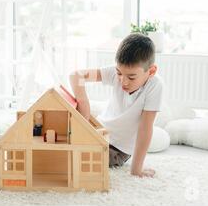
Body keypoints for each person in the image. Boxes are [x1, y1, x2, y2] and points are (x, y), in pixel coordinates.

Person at [69, 33, 163, 178]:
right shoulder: (116, 73)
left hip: (117, 149)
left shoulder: (154, 86)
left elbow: (145, 128)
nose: (123, 81)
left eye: (131, 77)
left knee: (73, 157)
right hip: (98, 131)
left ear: (151, 71)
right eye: (119, 73)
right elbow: (77, 76)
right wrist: (84, 103)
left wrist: (136, 170)